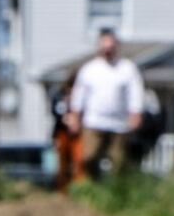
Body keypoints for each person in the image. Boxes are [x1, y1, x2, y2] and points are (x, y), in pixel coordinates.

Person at [69, 29, 145, 178]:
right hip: (94, 121)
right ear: (99, 46)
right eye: (105, 46)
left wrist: (136, 113)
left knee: (119, 162)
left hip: (119, 123)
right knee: (89, 157)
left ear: (116, 46)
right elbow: (79, 95)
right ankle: (93, 187)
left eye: (111, 46)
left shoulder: (127, 68)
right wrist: (75, 116)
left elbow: (135, 93)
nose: (108, 50)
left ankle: (115, 193)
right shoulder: (89, 69)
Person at [50, 65, 87, 193]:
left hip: (79, 134)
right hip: (62, 133)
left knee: (80, 162)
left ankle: (81, 190)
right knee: (63, 164)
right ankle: (62, 191)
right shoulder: (60, 95)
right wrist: (67, 119)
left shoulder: (85, 96)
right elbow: (56, 112)